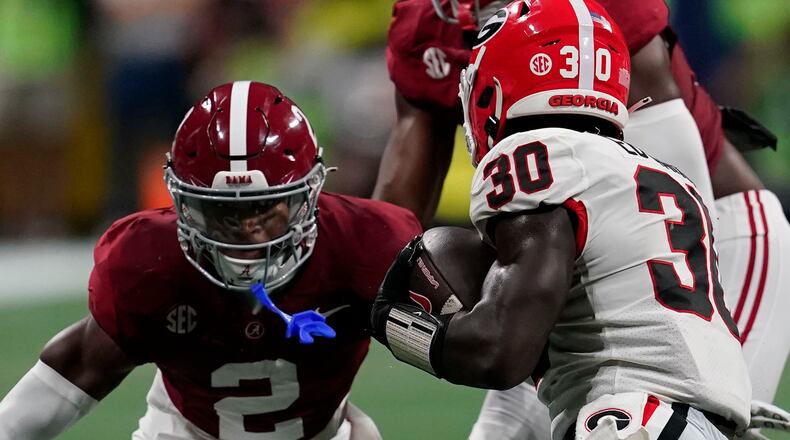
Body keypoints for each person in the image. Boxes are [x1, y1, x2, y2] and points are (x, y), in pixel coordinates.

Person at [375, 0, 790, 438]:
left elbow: (671, 229)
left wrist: (391, 321)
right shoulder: (426, 23)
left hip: (720, 242)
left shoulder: (537, 161)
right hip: (603, 249)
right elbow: (391, 218)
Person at [0, 81, 422, 440]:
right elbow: (80, 365)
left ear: (308, 196)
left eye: (267, 209)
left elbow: (467, 349)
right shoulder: (151, 262)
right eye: (224, 213)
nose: (248, 230)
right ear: (183, 205)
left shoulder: (365, 245)